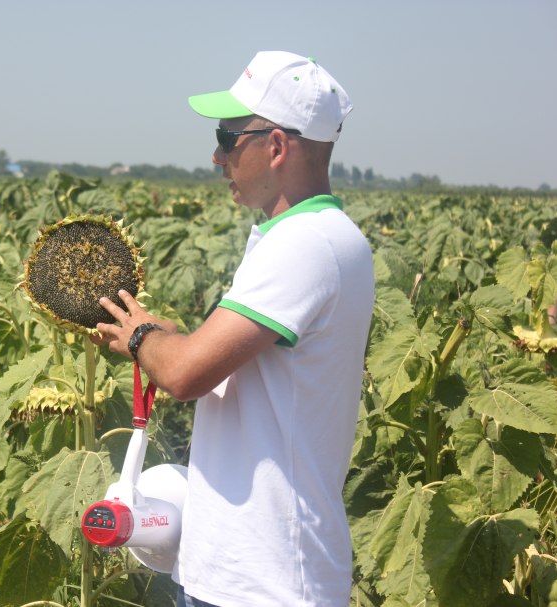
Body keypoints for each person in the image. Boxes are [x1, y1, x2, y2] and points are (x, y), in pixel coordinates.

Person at [93, 51, 375, 607]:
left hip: (266, 583)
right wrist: (168, 340)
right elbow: (239, 368)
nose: (217, 157)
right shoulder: (316, 236)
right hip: (246, 571)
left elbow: (185, 374)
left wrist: (143, 337)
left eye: (228, 137)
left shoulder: (303, 245)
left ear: (275, 146)